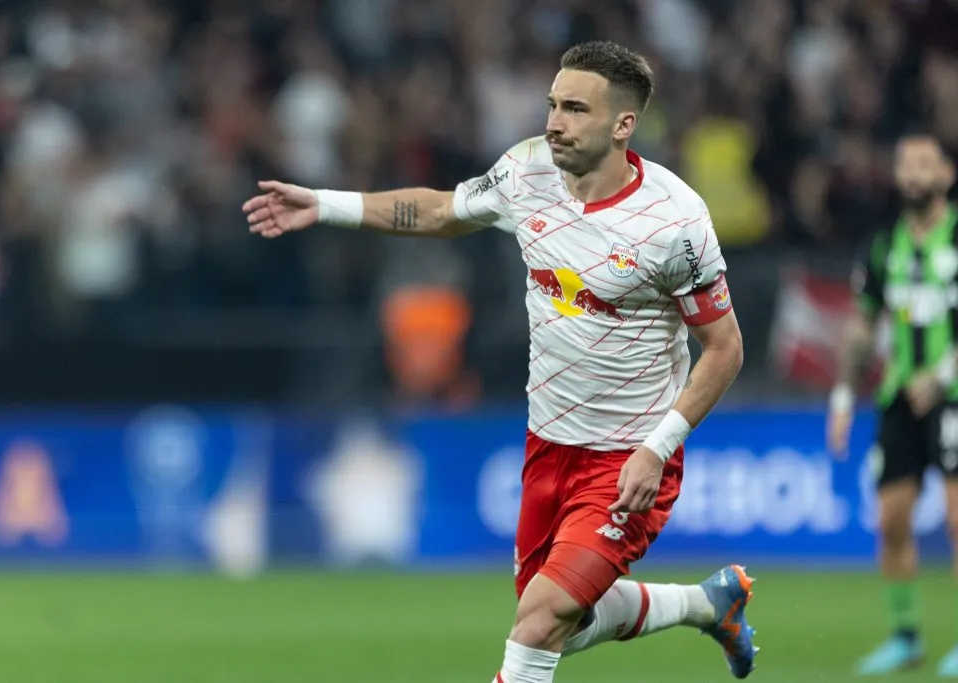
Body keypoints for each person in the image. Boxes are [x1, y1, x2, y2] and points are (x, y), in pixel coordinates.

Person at [244, 41, 755, 682]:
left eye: (575, 109)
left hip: (627, 456)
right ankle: (708, 604)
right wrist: (324, 204)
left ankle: (701, 600)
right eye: (552, 105)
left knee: (538, 624)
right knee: (558, 627)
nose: (554, 122)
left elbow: (725, 348)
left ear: (624, 125)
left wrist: (659, 446)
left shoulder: (675, 222)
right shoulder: (526, 172)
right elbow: (438, 210)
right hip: (548, 445)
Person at [828, 132, 958, 676]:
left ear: (947, 175)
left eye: (923, 165)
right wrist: (841, 396)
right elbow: (862, 326)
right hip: (899, 400)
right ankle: (905, 637)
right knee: (892, 518)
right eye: (903, 164)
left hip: (952, 398)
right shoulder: (884, 245)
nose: (911, 175)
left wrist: (943, 373)